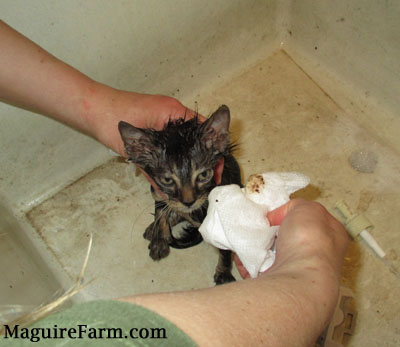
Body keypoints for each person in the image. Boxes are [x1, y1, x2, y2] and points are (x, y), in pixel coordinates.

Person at [0, 20, 350, 346]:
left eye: (200, 178)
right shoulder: (165, 180)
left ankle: (210, 256)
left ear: (218, 143)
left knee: (211, 222)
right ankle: (163, 229)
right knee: (164, 205)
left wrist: (93, 106)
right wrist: (309, 276)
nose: (187, 196)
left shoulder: (215, 171)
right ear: (137, 155)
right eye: (169, 180)